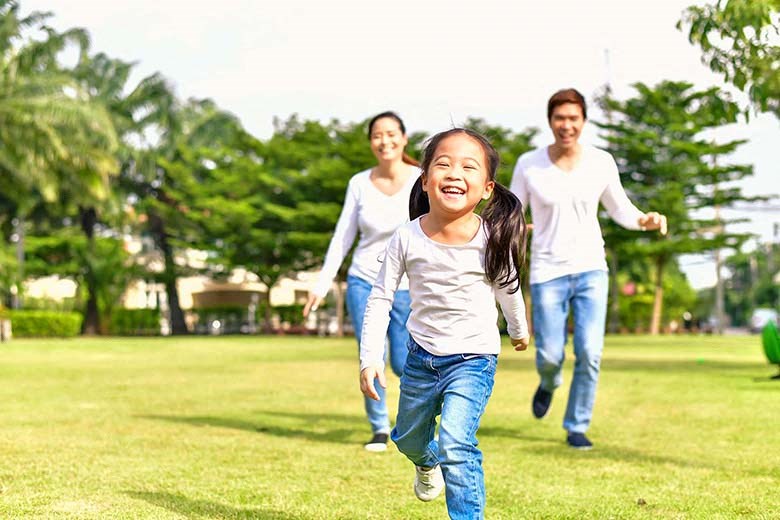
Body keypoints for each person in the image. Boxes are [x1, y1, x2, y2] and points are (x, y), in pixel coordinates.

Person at [360, 128, 530, 519]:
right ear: (424, 179)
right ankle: (425, 461)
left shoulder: (492, 239)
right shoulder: (406, 237)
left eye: (469, 167)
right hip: (421, 358)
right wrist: (370, 358)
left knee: (457, 441)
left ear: (486, 188)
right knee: (407, 439)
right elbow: (381, 297)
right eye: (444, 163)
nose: (455, 172)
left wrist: (519, 331)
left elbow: (509, 289)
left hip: (474, 359)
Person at [509, 88, 668, 450]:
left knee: (590, 352)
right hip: (548, 270)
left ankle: (576, 424)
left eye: (573, 118)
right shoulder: (529, 164)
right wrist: (507, 227)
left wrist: (645, 220)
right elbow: (514, 211)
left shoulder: (601, 161)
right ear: (550, 121)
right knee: (549, 354)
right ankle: (549, 383)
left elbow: (621, 209)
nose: (566, 125)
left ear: (583, 121)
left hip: (590, 268)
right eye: (560, 118)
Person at [302, 111, 419, 452]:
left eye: (391, 134)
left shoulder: (421, 179)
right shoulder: (359, 183)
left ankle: (412, 420)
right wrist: (322, 283)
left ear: (404, 137)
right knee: (371, 354)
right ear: (371, 142)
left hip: (408, 285)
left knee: (404, 360)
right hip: (365, 280)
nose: (385, 141)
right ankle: (380, 428)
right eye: (377, 136)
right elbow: (342, 238)